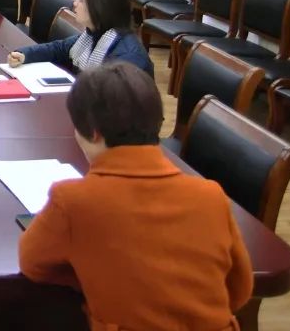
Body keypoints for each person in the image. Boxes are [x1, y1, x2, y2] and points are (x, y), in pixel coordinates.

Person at [18, 63, 252, 330]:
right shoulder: (211, 196)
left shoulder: (72, 200)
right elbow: (240, 290)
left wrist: (89, 275)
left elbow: (32, 264)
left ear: (93, 132)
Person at [8, 0, 154, 75]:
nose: (74, 3)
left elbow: (113, 103)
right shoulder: (94, 34)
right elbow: (59, 48)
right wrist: (25, 55)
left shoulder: (128, 57)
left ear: (100, 8)